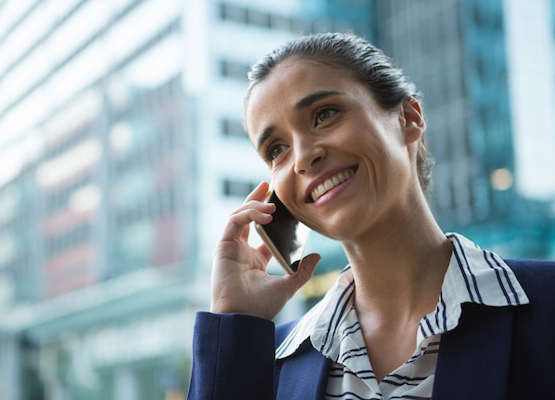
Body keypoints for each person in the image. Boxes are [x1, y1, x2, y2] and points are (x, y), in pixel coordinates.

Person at [186, 32, 555, 400]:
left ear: (408, 118)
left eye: (324, 114)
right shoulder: (268, 362)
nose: (302, 157)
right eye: (277, 149)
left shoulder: (546, 305)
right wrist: (235, 325)